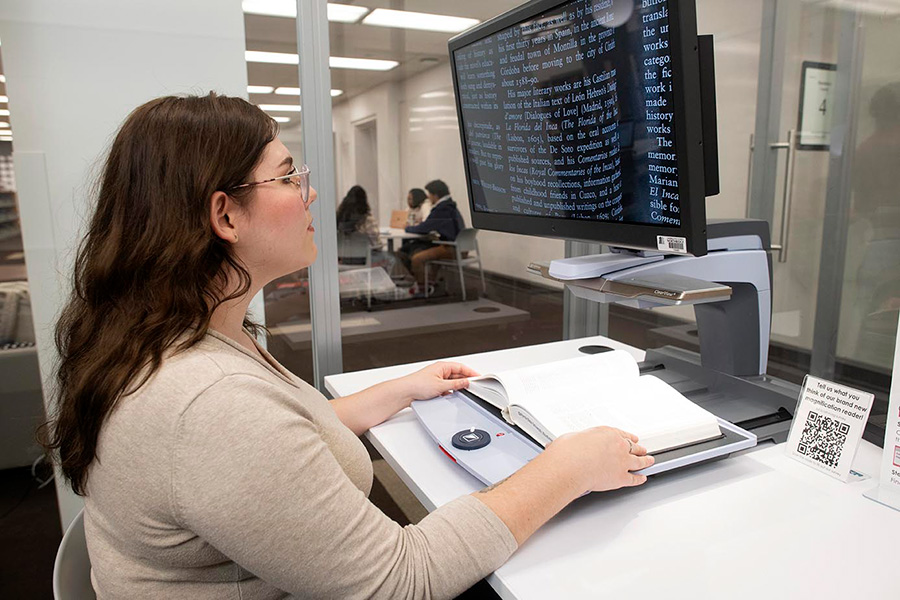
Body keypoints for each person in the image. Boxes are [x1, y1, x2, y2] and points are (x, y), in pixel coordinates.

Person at [40, 93, 652, 599]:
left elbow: (275, 445)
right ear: (225, 216)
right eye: (286, 176)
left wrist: (394, 391)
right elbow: (400, 580)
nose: (308, 193)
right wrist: (569, 467)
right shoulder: (208, 407)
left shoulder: (172, 338)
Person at [400, 180, 467, 292]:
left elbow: (423, 228)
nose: (428, 197)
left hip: (452, 249)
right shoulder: (451, 206)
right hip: (460, 247)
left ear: (435, 195)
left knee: (417, 258)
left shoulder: (441, 209)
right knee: (425, 251)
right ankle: (430, 283)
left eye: (429, 194)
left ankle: (423, 290)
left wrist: (407, 228)